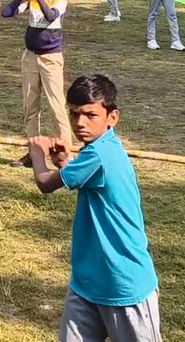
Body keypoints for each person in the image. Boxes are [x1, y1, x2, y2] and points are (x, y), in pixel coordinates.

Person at [26, 74, 161, 342]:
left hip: (123, 284)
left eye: (91, 115)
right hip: (87, 282)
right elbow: (82, 176)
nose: (80, 123)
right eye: (74, 114)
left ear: (113, 117)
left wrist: (37, 154)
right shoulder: (98, 150)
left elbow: (44, 183)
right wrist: (64, 161)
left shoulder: (99, 154)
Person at [3, 0, 72, 166]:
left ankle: (65, 153)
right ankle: (34, 153)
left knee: (56, 104)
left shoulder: (61, 0)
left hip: (51, 58)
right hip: (31, 57)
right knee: (30, 106)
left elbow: (50, 16)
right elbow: (7, 12)